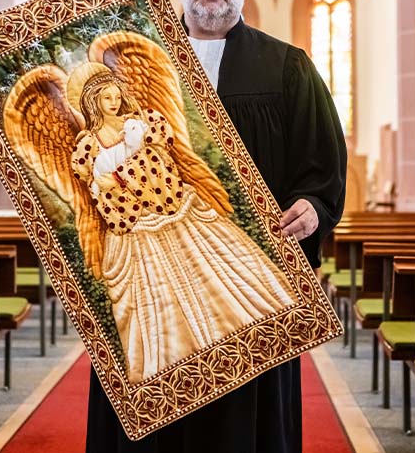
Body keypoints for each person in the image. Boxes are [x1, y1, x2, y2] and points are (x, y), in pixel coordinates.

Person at [40, 0, 346, 453]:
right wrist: (56, 17)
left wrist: (314, 207)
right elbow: (71, 117)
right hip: (150, 272)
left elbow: (323, 169)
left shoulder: (288, 67)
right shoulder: (128, 66)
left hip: (247, 281)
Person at [69, 66, 296, 384]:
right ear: (92, 102)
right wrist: (112, 178)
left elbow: (162, 155)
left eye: (116, 96)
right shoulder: (89, 144)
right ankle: (170, 361)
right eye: (106, 97)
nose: (113, 102)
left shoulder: (142, 121)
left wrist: (134, 166)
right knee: (155, 293)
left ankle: (238, 326)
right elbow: (99, 183)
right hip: (135, 224)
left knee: (210, 265)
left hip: (171, 205)